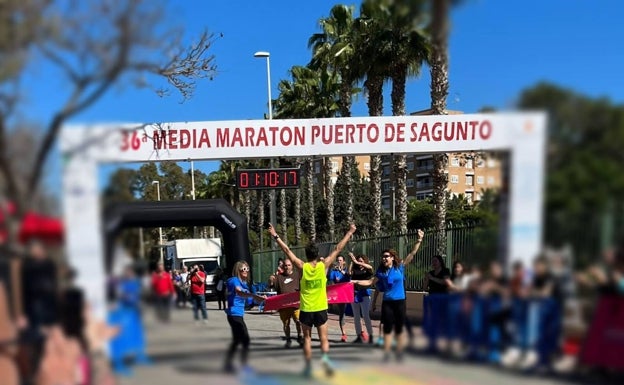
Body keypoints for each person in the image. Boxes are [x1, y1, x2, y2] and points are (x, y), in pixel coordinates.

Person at [269, 222, 357, 378]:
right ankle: (325, 362)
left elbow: (287, 250)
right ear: (317, 254)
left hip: (306, 309)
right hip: (321, 308)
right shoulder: (323, 266)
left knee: (307, 339)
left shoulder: (302, 266)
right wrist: (350, 232)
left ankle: (308, 367)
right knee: (324, 338)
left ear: (306, 253)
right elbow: (338, 249)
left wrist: (275, 235)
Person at [353, 229, 425, 362]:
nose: (384, 258)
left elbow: (412, 253)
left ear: (392, 257)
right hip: (387, 302)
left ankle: (399, 352)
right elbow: (369, 282)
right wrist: (355, 281)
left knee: (398, 327)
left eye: (387, 256)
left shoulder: (400, 267)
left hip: (400, 302)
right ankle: (386, 353)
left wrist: (419, 240)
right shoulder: (380, 271)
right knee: (387, 328)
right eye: (383, 256)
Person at [223, 261, 266, 374]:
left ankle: (228, 364)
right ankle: (244, 366)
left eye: (247, 268)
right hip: (234, 315)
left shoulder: (244, 285)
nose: (246, 271)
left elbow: (251, 300)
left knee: (237, 340)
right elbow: (239, 292)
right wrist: (253, 295)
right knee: (245, 339)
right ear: (238, 270)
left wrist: (262, 298)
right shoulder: (234, 281)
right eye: (243, 269)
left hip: (237, 315)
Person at [275, 259, 303, 348]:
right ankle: (288, 339)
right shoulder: (279, 277)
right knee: (286, 324)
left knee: (298, 321)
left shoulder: (297, 275)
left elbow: (302, 288)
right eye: (285, 265)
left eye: (289, 265)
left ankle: (300, 336)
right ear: (283, 267)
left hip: (295, 305)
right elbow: (275, 288)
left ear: (292, 266)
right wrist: (271, 280)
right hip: (284, 306)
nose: (287, 267)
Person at [348, 252, 374, 344]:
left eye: (361, 261)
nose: (359, 263)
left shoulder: (368, 270)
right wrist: (352, 261)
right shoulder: (355, 269)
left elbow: (370, 268)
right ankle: (359, 335)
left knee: (365, 315)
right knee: (356, 317)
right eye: (358, 261)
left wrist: (357, 261)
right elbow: (349, 273)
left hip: (365, 294)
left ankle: (371, 335)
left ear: (364, 261)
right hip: (355, 294)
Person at [328, 255, 350, 342]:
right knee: (342, 314)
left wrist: (342, 272)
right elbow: (330, 277)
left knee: (355, 313)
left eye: (340, 260)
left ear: (344, 262)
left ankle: (361, 331)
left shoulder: (347, 270)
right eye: (338, 260)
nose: (339, 262)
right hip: (340, 295)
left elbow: (349, 278)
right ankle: (344, 333)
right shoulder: (334, 271)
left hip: (348, 293)